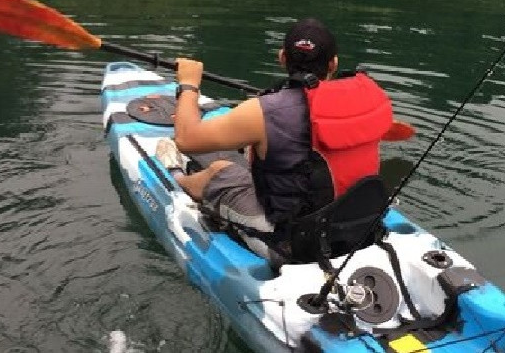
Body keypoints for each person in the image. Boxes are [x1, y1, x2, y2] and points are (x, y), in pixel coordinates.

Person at [156, 19, 393, 259]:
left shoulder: (264, 111)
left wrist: (189, 84)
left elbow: (186, 138)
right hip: (354, 224)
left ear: (282, 57)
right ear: (334, 64)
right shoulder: (364, 102)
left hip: (294, 240)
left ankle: (178, 176)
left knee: (220, 172)